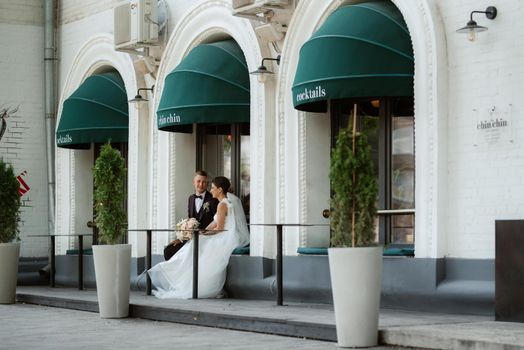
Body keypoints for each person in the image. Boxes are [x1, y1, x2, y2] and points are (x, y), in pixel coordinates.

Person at [149, 176, 250, 299]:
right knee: (197, 241)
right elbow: (213, 224)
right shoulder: (224, 203)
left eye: (213, 188)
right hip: (223, 234)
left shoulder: (222, 205)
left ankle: (180, 273)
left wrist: (203, 235)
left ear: (220, 189)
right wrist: (200, 232)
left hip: (224, 237)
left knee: (198, 243)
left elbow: (219, 228)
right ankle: (183, 273)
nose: (211, 190)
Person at [163, 170, 218, 260]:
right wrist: (181, 238)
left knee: (187, 253)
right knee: (169, 250)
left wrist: (203, 234)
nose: (201, 184)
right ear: (193, 182)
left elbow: (216, 221)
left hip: (206, 238)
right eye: (198, 181)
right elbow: (190, 221)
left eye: (204, 182)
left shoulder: (213, 198)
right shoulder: (191, 198)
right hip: (191, 238)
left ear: (207, 184)